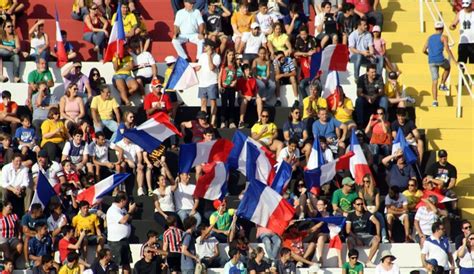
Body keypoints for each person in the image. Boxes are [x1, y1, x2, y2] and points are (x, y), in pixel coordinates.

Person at [422, 21, 457, 107]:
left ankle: (434, 101)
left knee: (434, 81)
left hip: (431, 61)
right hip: (440, 59)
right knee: (448, 67)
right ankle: (442, 84)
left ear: (435, 28)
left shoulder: (429, 38)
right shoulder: (444, 37)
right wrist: (454, 61)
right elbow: (447, 49)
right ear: (443, 28)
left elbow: (423, 50)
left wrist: (430, 55)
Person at [106, 191, 137, 274]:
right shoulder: (112, 210)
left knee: (126, 264)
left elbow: (128, 220)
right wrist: (130, 211)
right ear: (122, 200)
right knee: (115, 265)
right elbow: (123, 220)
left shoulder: (122, 210)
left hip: (124, 241)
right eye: (126, 201)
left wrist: (131, 212)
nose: (126, 204)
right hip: (116, 242)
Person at [346, 197, 380, 267]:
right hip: (355, 235)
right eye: (358, 204)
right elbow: (348, 230)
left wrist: (378, 235)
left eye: (362, 204)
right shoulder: (350, 215)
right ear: (354, 205)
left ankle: (368, 261)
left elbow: (377, 222)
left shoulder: (367, 213)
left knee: (376, 240)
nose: (360, 206)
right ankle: (353, 260)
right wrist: (356, 238)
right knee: (348, 240)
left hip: (366, 235)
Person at [196, 39, 220, 127]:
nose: (204, 47)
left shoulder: (217, 56)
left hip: (212, 82)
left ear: (211, 47)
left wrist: (209, 56)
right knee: (203, 102)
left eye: (206, 45)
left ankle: (212, 121)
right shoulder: (202, 56)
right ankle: (203, 121)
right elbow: (198, 67)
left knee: (213, 102)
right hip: (202, 82)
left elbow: (211, 67)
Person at [358, 174, 388, 243]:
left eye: (367, 181)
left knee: (380, 216)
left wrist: (374, 211)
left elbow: (377, 203)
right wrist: (367, 211)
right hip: (365, 209)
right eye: (364, 181)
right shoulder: (361, 190)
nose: (365, 183)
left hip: (373, 208)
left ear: (370, 181)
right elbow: (362, 203)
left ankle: (384, 236)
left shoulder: (376, 190)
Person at [237, 63, 263, 128]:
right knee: (245, 100)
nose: (248, 72)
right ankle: (241, 121)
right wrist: (246, 97)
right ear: (243, 72)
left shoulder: (253, 80)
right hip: (243, 98)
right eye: (246, 70)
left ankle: (260, 119)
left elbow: (256, 92)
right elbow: (240, 94)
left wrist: (258, 97)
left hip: (252, 98)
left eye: (249, 70)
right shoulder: (240, 80)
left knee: (259, 99)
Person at [218, 48, 238, 128]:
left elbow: (236, 77)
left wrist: (235, 82)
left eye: (232, 55)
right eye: (230, 55)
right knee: (224, 105)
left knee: (232, 105)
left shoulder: (234, 65)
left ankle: (231, 122)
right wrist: (219, 86)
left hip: (232, 88)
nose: (231, 57)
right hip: (224, 88)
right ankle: (223, 122)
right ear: (226, 55)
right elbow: (219, 77)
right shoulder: (223, 65)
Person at [450, 0, 474, 64]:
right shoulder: (460, 13)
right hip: (463, 41)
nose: (465, 8)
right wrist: (453, 26)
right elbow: (453, 24)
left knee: (473, 61)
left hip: (473, 41)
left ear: (470, 5)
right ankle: (461, 74)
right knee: (461, 60)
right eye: (464, 7)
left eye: (467, 7)